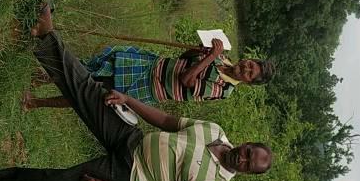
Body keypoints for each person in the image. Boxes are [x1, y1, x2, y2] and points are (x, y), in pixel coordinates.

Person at [0, 5, 273, 181]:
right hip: (132, 138)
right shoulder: (214, 131)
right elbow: (166, 121)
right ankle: (45, 35)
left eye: (248, 164)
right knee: (90, 91)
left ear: (247, 173)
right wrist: (129, 100)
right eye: (248, 152)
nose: (242, 159)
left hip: (127, 173)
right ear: (246, 144)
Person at [22, 39, 276, 110]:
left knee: (91, 90)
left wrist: (209, 57)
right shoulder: (223, 58)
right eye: (250, 64)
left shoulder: (223, 89)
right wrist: (200, 51)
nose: (245, 68)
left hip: (147, 86)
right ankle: (41, 77)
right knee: (93, 68)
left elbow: (186, 80)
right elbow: (184, 59)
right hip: (151, 64)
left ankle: (35, 102)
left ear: (248, 82)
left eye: (250, 73)